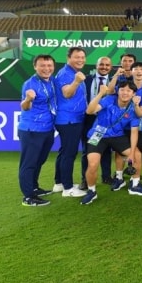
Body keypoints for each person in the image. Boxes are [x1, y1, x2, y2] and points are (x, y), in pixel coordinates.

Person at [81, 81, 142, 205]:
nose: (125, 93)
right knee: (92, 164)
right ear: (118, 91)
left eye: (128, 91)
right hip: (98, 134)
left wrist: (131, 154)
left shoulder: (133, 108)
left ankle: (135, 185)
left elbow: (134, 133)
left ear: (133, 94)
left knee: (137, 155)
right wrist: (100, 94)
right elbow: (89, 111)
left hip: (117, 135)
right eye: (122, 90)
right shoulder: (108, 99)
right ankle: (91, 191)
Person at [18, 54, 58, 206]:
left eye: (49, 65)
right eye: (42, 65)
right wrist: (28, 99)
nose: (46, 68)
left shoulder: (52, 81)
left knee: (39, 160)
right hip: (32, 130)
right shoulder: (30, 84)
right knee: (28, 163)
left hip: (47, 128)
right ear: (35, 67)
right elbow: (25, 107)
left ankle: (34, 187)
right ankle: (28, 197)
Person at [52, 47, 88, 198]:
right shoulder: (66, 73)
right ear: (68, 58)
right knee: (69, 153)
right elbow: (67, 93)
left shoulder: (71, 72)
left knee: (64, 151)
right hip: (69, 120)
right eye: (77, 57)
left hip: (72, 119)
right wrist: (77, 81)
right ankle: (68, 188)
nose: (80, 60)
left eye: (82, 57)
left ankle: (59, 183)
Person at [79, 57, 114, 191]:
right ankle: (85, 179)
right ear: (96, 65)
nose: (104, 67)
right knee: (87, 150)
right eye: (101, 64)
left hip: (106, 120)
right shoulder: (86, 80)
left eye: (107, 65)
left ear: (111, 67)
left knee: (106, 149)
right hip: (89, 119)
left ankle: (106, 176)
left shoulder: (114, 82)